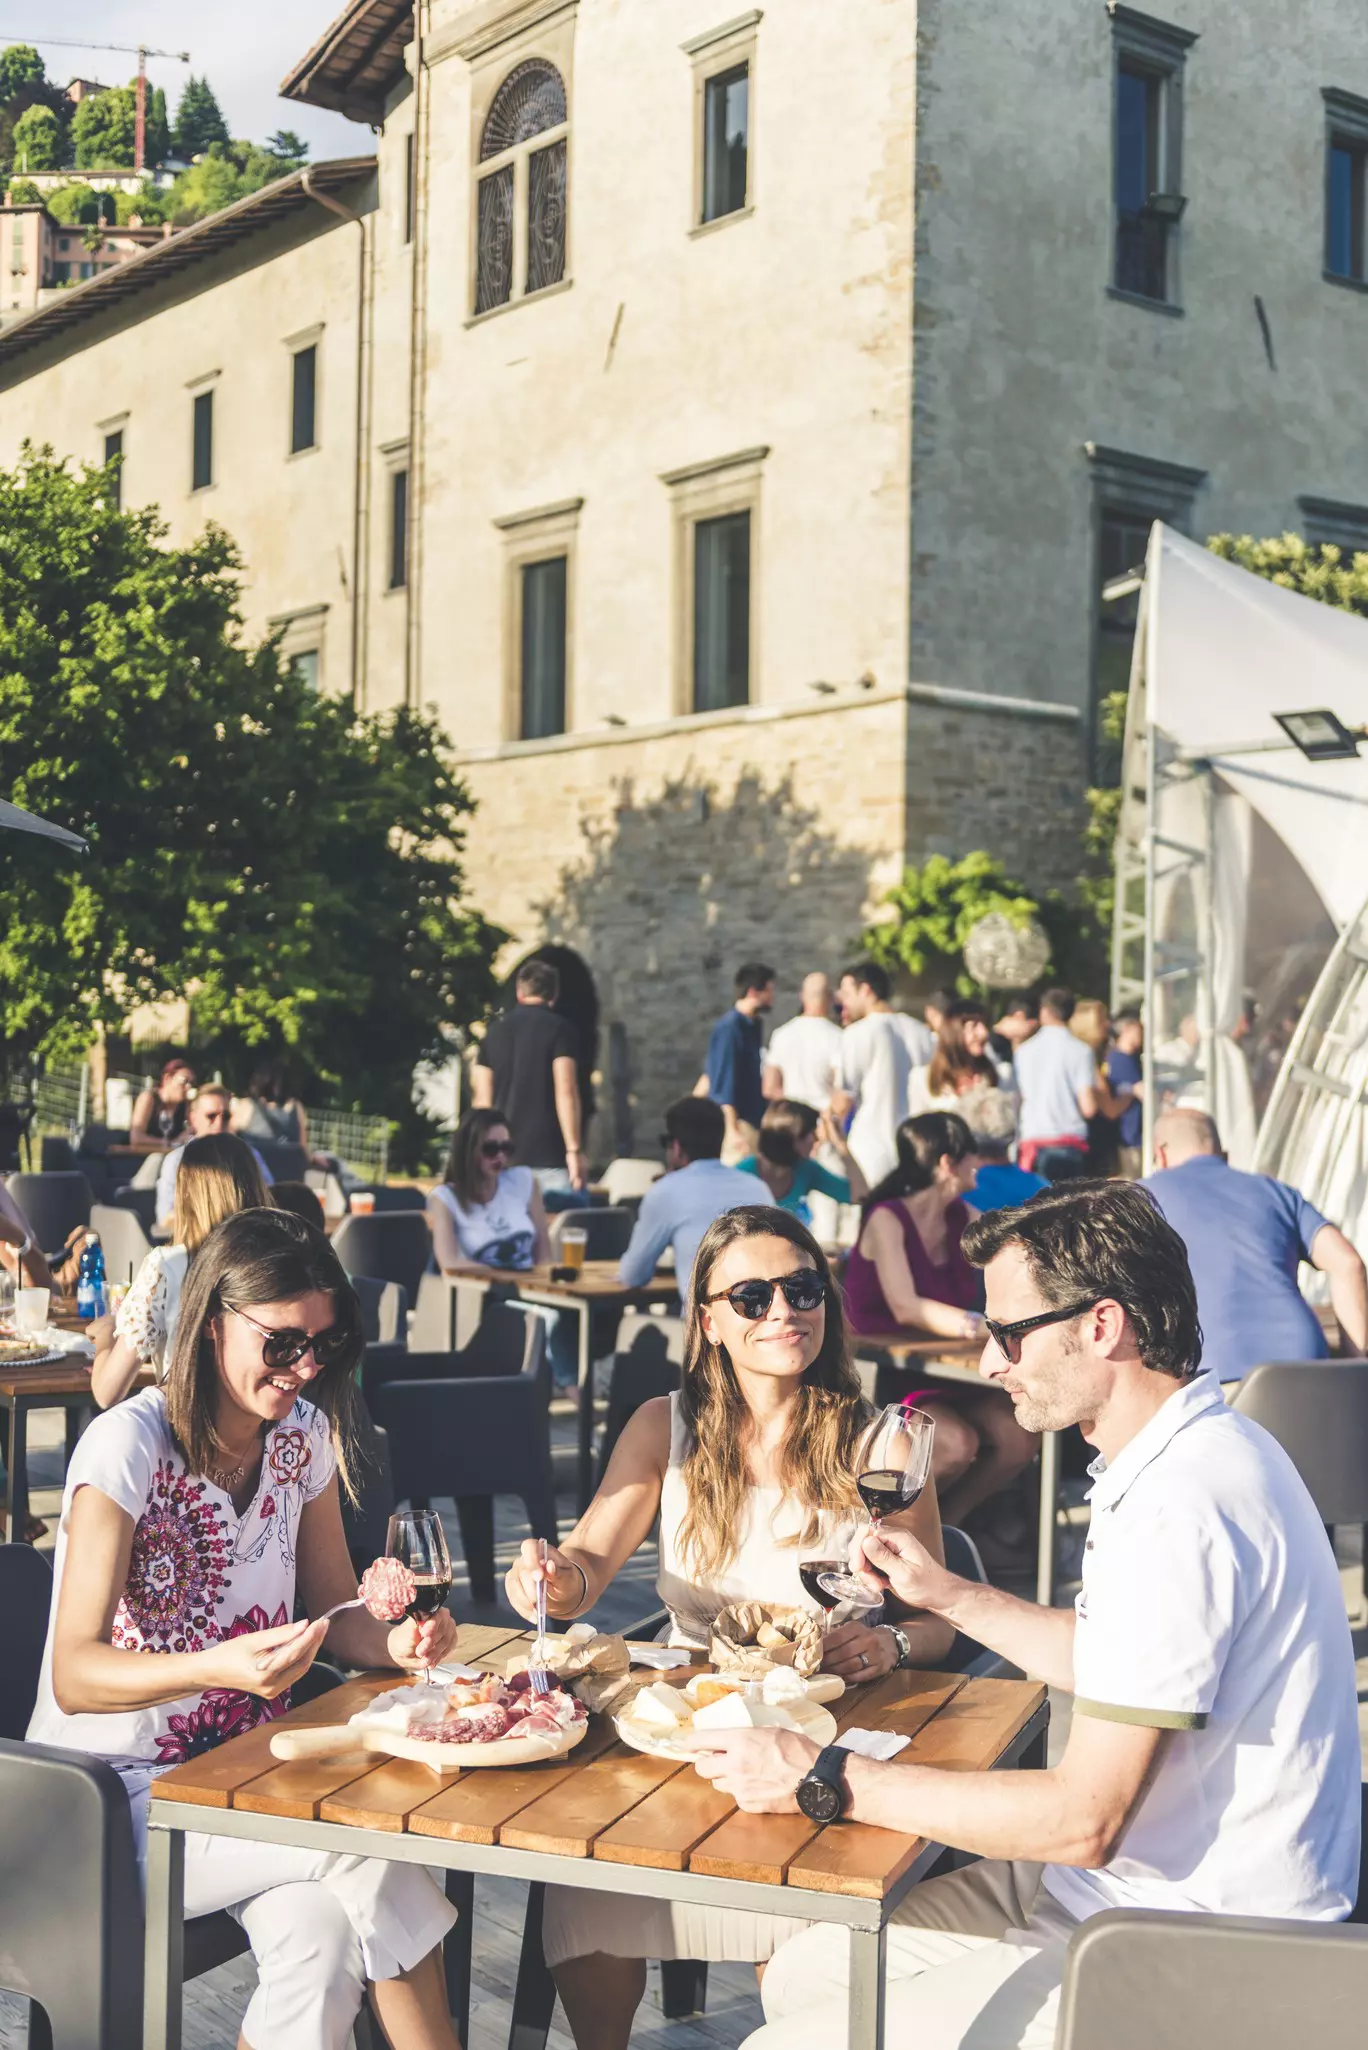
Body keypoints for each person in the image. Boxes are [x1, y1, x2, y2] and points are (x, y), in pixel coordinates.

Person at [693, 1180, 1361, 2050]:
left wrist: (825, 1777)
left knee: (777, 2045)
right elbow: (1120, 1658)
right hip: (1128, 1888)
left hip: (1201, 1942)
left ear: (1102, 1325)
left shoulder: (1185, 1503)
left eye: (1007, 1333)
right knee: (804, 1974)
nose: (988, 1364)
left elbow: (1084, 1819)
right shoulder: (1184, 1453)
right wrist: (949, 1596)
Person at [503, 1205, 956, 2050]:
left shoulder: (878, 1442)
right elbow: (585, 1567)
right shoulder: (662, 1427)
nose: (783, 1311)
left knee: (795, 1929)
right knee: (582, 1874)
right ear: (708, 1320)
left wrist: (890, 1642)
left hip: (821, 1729)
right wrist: (550, 1577)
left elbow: (937, 1621)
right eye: (751, 1296)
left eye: (802, 1288)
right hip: (677, 1728)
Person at [28, 1207, 463, 2050]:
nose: (304, 1367)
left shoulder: (303, 1439)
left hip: (243, 1783)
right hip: (104, 1805)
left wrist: (398, 1643)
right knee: (368, 1848)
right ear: (214, 1321)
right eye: (283, 1344)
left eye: (325, 1345)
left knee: (322, 1938)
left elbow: (335, 1613)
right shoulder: (128, 1448)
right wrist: (216, 1668)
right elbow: (74, 1676)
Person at [843, 1113, 1036, 1527]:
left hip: (945, 1369)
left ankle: (946, 1531)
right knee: (953, 1444)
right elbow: (905, 1307)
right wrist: (983, 1326)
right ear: (948, 1163)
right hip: (887, 1370)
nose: (979, 1164)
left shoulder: (960, 1214)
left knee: (1018, 1438)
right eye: (972, 1155)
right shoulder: (887, 1217)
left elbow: (1010, 1254)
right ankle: (879, 1532)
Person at [1145, 1108, 1368, 1385]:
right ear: (1223, 1155)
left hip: (1212, 1372)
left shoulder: (1140, 1199)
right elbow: (1348, 1263)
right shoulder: (1276, 1192)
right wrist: (1357, 1367)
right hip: (1306, 1363)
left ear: (1161, 1154)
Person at [90, 1134, 273, 1408]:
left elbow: (107, 1392)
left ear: (186, 1194)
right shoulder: (276, 1260)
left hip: (188, 1434)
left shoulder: (166, 1265)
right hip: (268, 1431)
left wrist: (105, 1339)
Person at [616, 1097, 757, 1292]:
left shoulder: (667, 1190)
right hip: (762, 1313)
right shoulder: (757, 1186)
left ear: (676, 1147)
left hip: (705, 1319)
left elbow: (633, 1275)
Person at [473, 958, 586, 1194]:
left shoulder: (492, 1034)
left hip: (500, 1159)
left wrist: (480, 1152)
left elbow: (482, 1102)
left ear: (519, 993)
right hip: (548, 1158)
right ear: (554, 995)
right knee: (560, 1228)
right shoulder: (560, 1030)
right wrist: (573, 1150)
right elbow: (566, 1090)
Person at [425, 1107, 553, 1273]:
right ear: (468, 1150)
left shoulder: (523, 1181)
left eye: (506, 1148)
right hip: (481, 1293)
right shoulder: (445, 1198)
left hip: (532, 1289)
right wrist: (504, 1279)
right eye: (490, 1149)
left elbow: (544, 1258)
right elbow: (449, 1263)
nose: (500, 1156)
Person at [832, 961, 912, 1187]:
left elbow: (843, 1098)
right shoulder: (919, 1031)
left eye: (847, 993)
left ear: (865, 990)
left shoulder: (858, 1032)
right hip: (912, 1148)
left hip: (870, 1148)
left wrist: (826, 1127)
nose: (843, 1002)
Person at [156, 1085, 275, 1227]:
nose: (218, 1123)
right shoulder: (176, 1160)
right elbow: (164, 1219)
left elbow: (270, 1200)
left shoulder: (249, 1154)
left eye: (225, 1116)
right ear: (193, 1118)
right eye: (211, 1116)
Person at [1012, 987, 1099, 1179]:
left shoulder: (1023, 1051)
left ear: (1044, 1010)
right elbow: (1089, 1107)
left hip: (1034, 1142)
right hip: (1070, 1141)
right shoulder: (1081, 1050)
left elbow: (1019, 1097)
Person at [738, 1100, 868, 1225]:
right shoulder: (742, 1174)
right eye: (812, 1134)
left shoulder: (806, 1170)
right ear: (792, 1138)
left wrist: (841, 1145)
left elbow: (860, 1196)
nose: (816, 1140)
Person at [696, 961, 775, 1161]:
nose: (772, 997)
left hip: (751, 1120)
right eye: (768, 990)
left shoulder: (752, 1026)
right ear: (753, 992)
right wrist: (731, 1129)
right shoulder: (730, 1028)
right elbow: (722, 1081)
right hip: (739, 1123)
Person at [908, 998, 1017, 1142]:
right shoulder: (922, 1079)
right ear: (954, 1030)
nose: (983, 1033)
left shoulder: (1002, 1075)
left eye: (984, 1025)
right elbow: (919, 1135)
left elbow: (1012, 1127)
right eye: (974, 1026)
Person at [762, 972, 842, 1111]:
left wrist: (792, 1105)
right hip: (824, 1117)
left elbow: (770, 1088)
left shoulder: (781, 1034)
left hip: (790, 1117)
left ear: (802, 996)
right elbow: (841, 1088)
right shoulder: (839, 1037)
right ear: (830, 998)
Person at [1104, 1009, 1145, 1177]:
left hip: (1134, 1134)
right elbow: (1142, 1091)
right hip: (1129, 1136)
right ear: (1127, 1029)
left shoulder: (1130, 1058)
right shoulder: (1119, 1059)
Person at [128, 1056, 196, 1153]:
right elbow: (136, 1138)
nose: (188, 1087)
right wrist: (171, 1142)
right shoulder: (149, 1099)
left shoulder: (184, 1105)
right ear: (167, 1078)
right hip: (144, 1157)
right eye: (184, 1081)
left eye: (191, 1083)